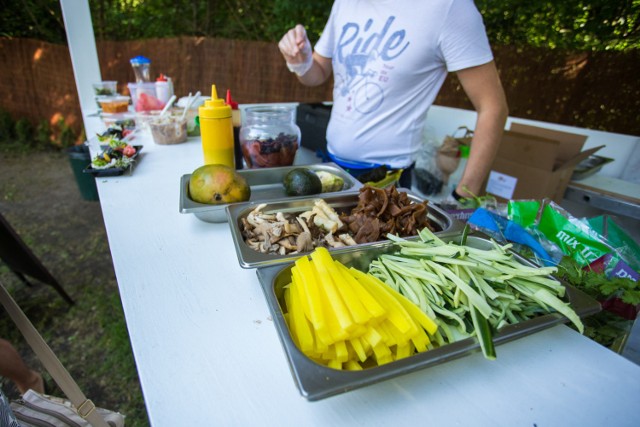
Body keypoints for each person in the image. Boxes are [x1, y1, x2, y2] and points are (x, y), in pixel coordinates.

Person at [278, 0, 508, 200]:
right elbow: (317, 74)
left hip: (388, 182)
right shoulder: (345, 3)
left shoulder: (449, 7)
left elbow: (493, 108)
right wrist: (301, 62)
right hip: (332, 167)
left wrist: (463, 196)